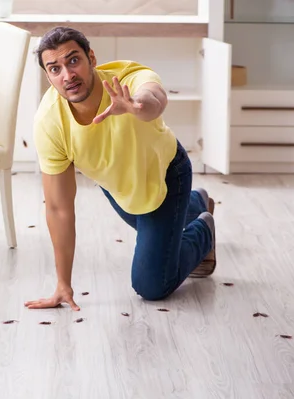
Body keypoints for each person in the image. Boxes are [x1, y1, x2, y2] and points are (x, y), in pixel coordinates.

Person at [24, 27, 216, 311]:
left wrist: (136, 107)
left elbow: (155, 99)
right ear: (48, 76)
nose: (67, 75)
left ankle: (204, 229)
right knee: (153, 225)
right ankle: (196, 201)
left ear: (92, 58)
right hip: (120, 186)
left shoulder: (125, 78)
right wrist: (63, 284)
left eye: (73, 60)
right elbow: (58, 208)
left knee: (151, 284)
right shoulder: (49, 123)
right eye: (55, 68)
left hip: (166, 172)